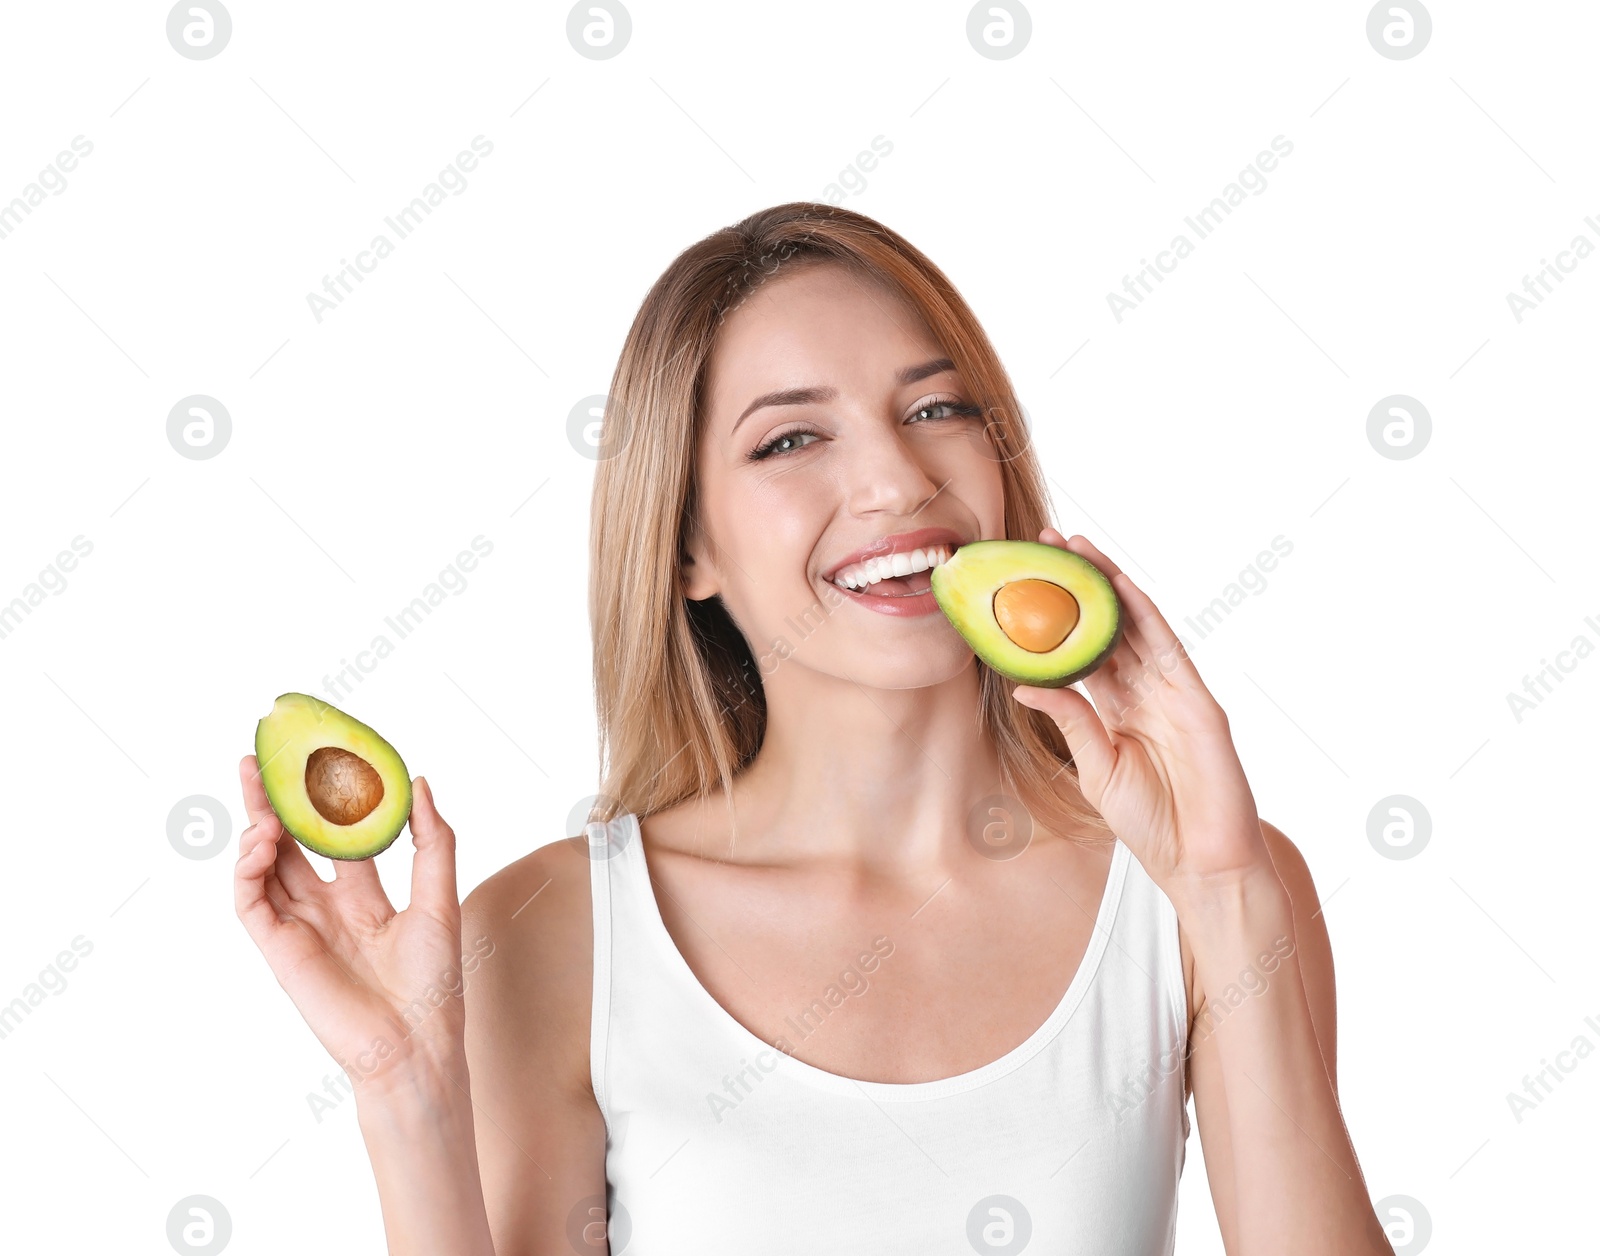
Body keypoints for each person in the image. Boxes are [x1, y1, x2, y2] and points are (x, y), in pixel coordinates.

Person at [235, 202, 1390, 1254]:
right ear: (686, 544)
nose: (895, 478)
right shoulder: (553, 935)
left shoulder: (1198, 889)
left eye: (936, 408)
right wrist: (402, 1089)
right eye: (790, 438)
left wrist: (1227, 886)